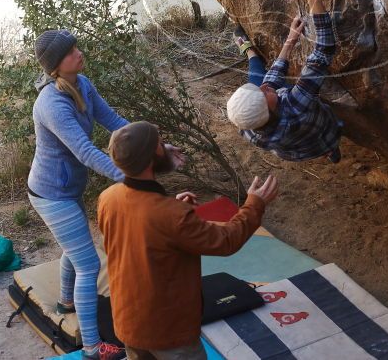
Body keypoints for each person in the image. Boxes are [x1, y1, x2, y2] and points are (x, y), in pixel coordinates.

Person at [98, 121, 279, 360]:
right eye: (160, 143)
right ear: (153, 155)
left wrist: (174, 209)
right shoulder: (170, 215)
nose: (165, 145)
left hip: (127, 322)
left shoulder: (108, 198)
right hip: (168, 331)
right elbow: (226, 241)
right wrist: (255, 204)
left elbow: (140, 230)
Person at [27, 29, 128, 360]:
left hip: (68, 188)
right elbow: (85, 151)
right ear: (57, 65)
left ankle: (66, 301)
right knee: (89, 263)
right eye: (71, 52)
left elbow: (112, 120)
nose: (79, 53)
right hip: (50, 194)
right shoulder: (51, 103)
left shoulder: (82, 85)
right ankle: (92, 348)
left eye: (76, 47)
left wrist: (150, 143)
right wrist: (128, 177)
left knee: (76, 246)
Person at [226, 0, 343, 163]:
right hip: (322, 132)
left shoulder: (248, 128)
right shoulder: (296, 104)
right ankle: (330, 148)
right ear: (270, 108)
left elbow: (270, 83)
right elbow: (325, 48)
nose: (263, 87)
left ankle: (250, 51)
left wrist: (290, 40)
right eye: (262, 94)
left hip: (296, 151)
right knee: (259, 77)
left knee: (258, 76)